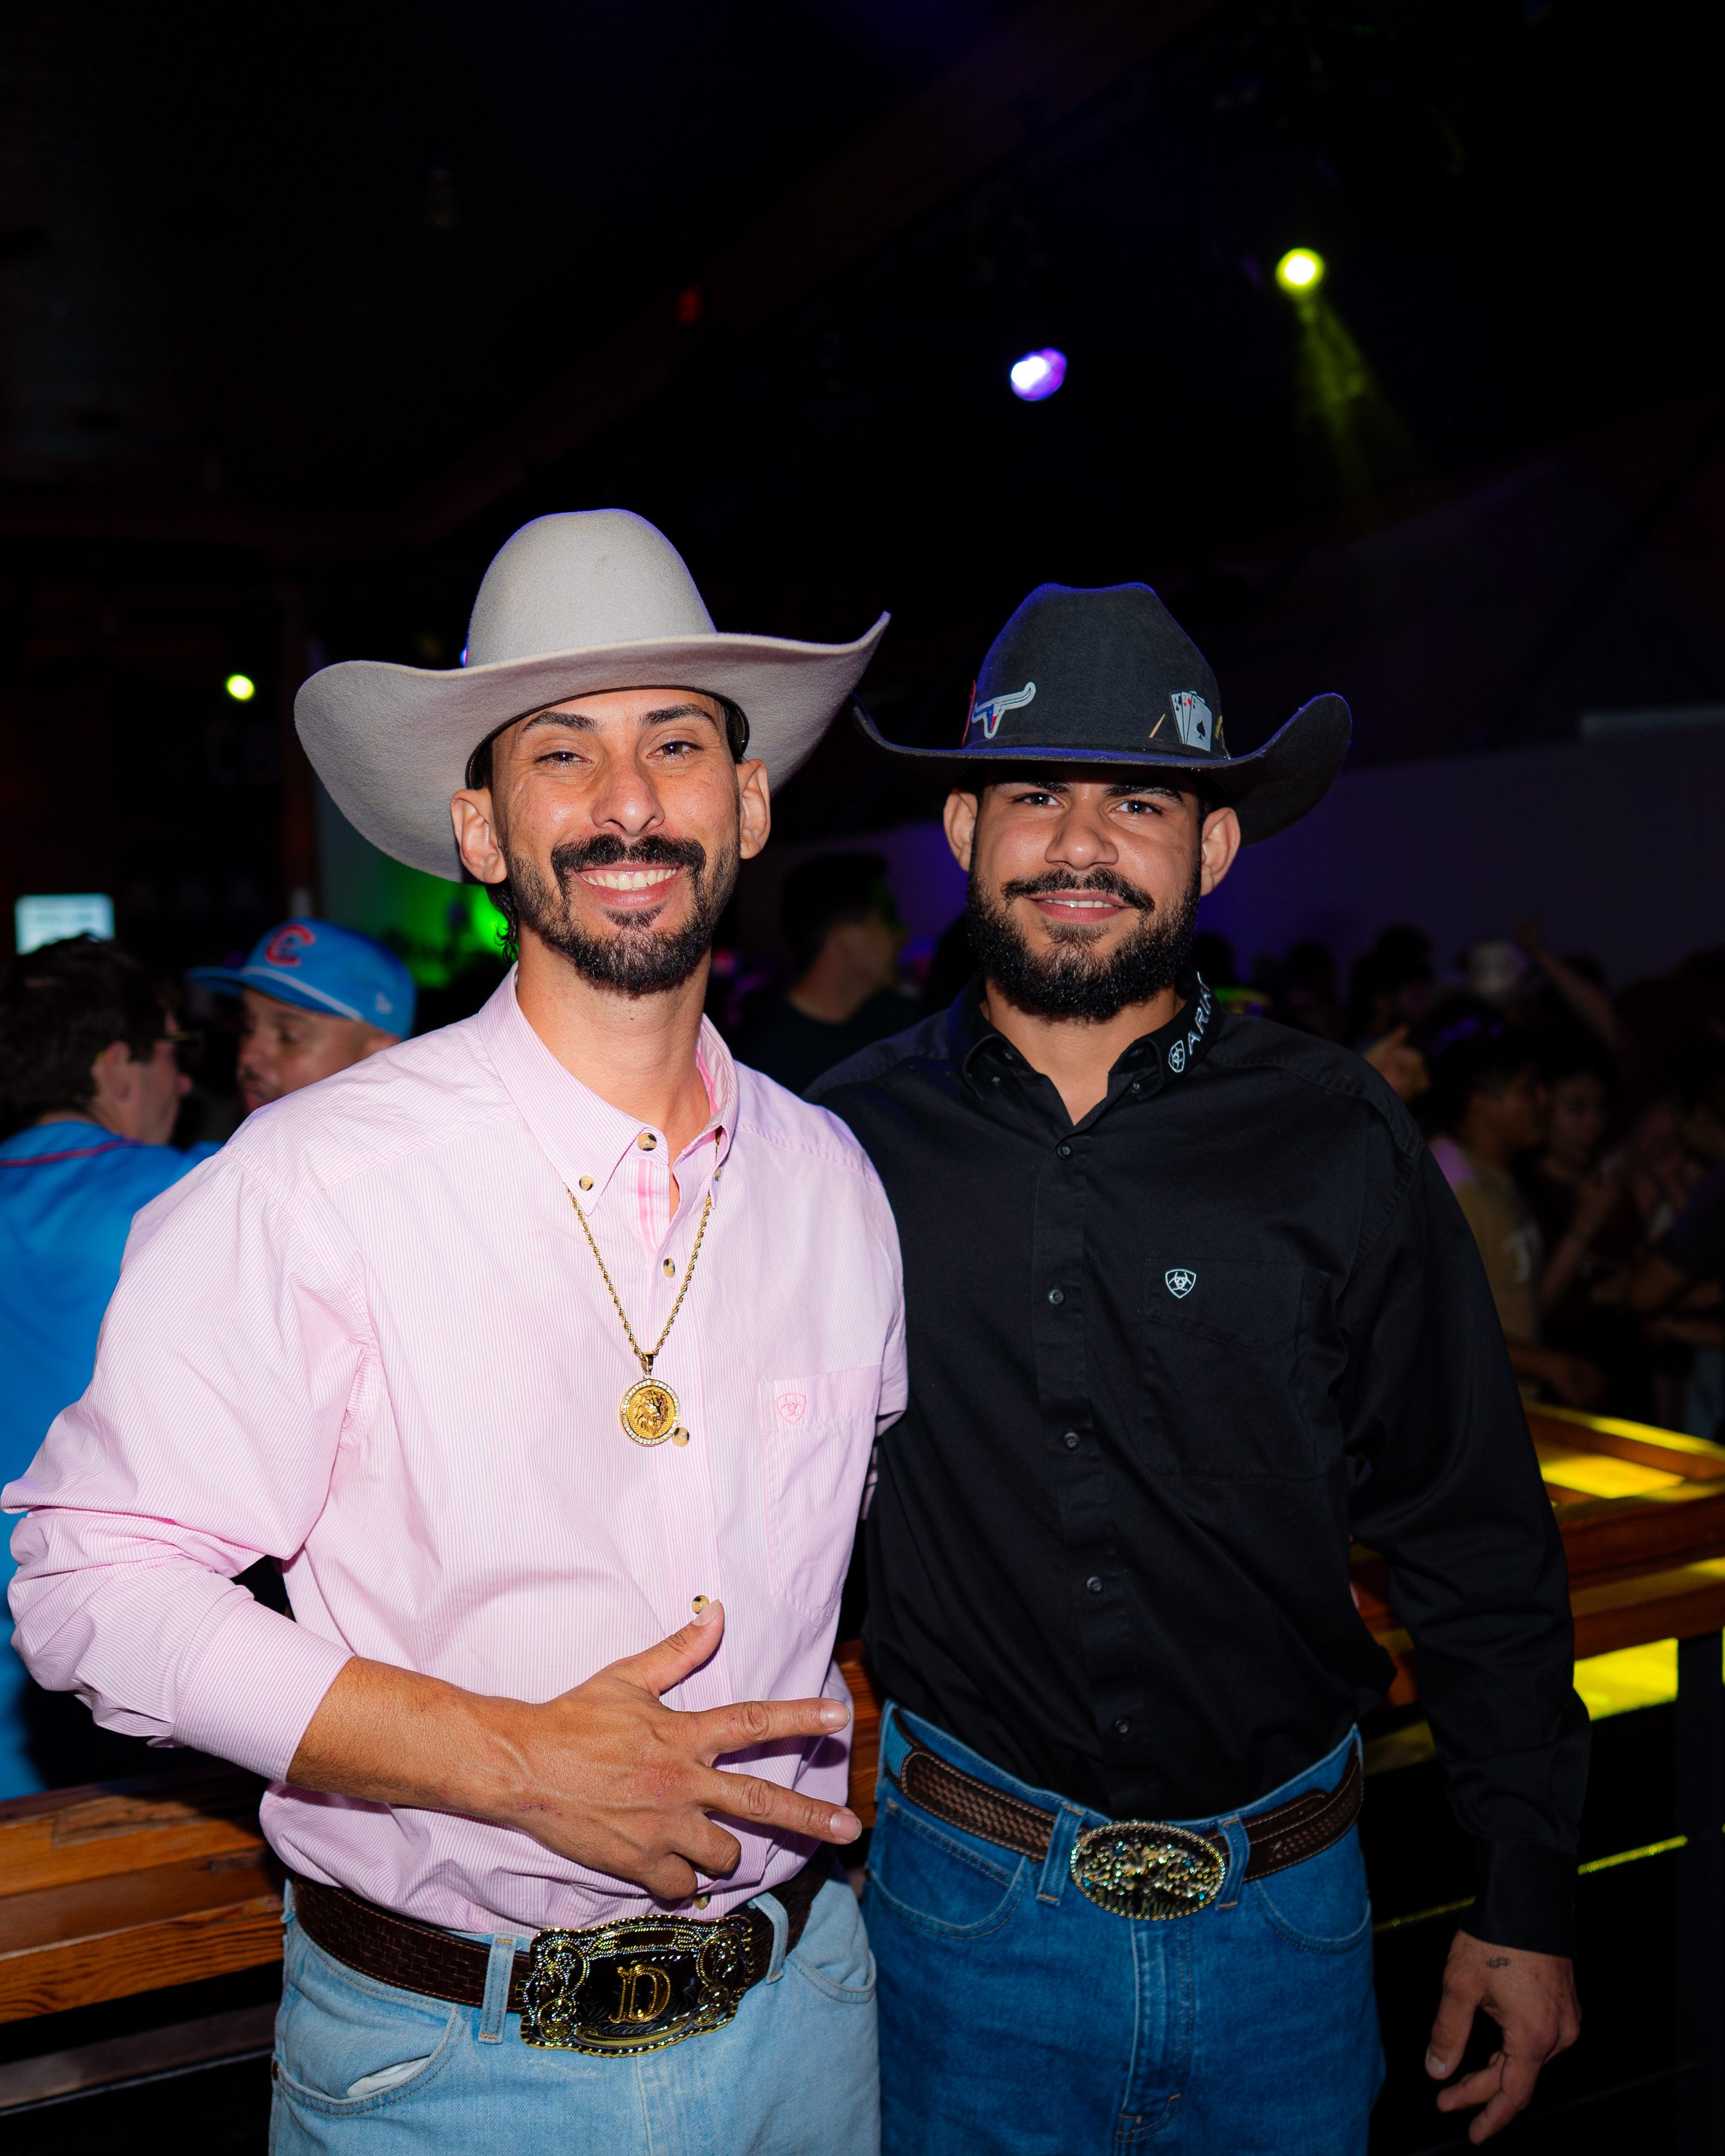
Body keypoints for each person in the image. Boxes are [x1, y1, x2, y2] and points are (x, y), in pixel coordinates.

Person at [5, 509, 904, 2156]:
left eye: (675, 745)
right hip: (451, 2070)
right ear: (481, 828)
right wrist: (507, 1760)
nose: (628, 803)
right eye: (563, 753)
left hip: (808, 2030)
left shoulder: (835, 1184)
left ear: (747, 800)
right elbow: (82, 1586)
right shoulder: (308, 1182)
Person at [817, 581, 1584, 2152]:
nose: (1080, 844)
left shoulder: (1338, 1133)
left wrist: (1522, 1895)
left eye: (1139, 800)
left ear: (1213, 846)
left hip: (1287, 1935)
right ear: (962, 827)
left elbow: (1471, 1527)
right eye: (1034, 793)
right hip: (964, 1929)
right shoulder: (836, 1145)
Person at [0, 935, 216, 1795]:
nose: (187, 1081)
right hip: (121, 1653)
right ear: (117, 1062)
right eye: (176, 1051)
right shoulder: (196, 1193)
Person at [1425, 1015, 1607, 1410]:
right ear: (1483, 1105)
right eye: (1528, 1089)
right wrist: (1554, 1367)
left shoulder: (1494, 1175)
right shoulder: (1459, 1192)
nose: (1543, 1101)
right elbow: (1439, 1322)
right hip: (1474, 1414)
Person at [189, 917, 416, 1115]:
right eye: (248, 1028)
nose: (247, 1056)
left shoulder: (418, 1163)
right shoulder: (211, 1162)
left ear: (377, 1057)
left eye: (289, 1036)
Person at [731, 852, 914, 1093]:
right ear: (847, 939)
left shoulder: (902, 1027)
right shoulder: (759, 1063)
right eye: (888, 919)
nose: (902, 935)